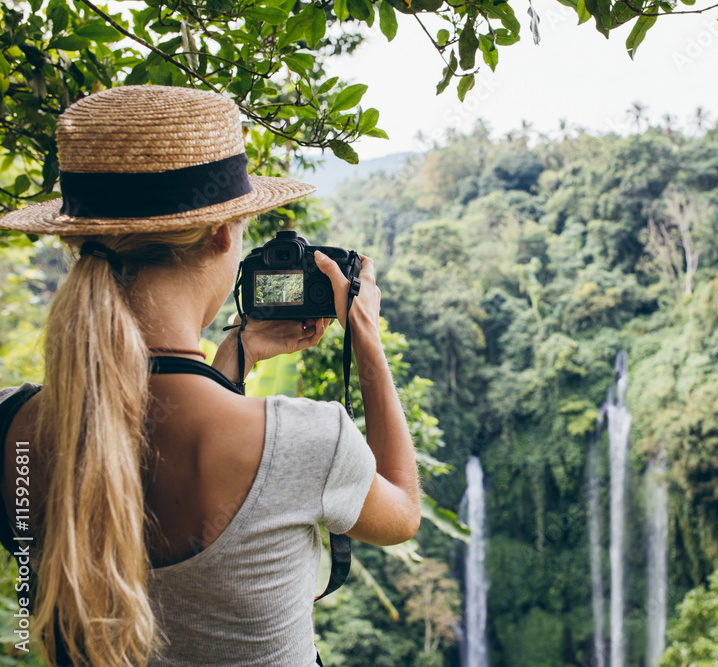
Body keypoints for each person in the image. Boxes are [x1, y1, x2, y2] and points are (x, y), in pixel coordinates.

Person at [0, 85, 420, 666]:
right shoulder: (308, 439)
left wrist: (233, 361)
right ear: (223, 235)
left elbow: (143, 434)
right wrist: (367, 345)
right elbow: (401, 515)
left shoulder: (12, 429)